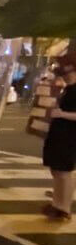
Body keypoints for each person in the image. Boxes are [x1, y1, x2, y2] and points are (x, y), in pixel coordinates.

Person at [42, 51, 76, 221]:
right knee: (57, 171)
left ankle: (64, 207)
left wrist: (61, 114)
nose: (64, 76)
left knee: (64, 172)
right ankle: (57, 204)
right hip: (58, 134)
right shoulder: (67, 89)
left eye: (67, 72)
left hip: (69, 136)